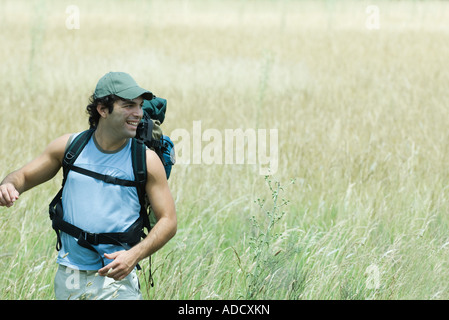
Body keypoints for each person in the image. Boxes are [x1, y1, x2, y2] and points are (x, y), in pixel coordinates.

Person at [0, 72, 177, 300]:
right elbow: (21, 176)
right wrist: (8, 185)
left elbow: (169, 221)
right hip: (69, 277)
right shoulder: (70, 147)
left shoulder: (146, 160)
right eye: (129, 105)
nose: (139, 114)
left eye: (140, 106)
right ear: (103, 110)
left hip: (116, 282)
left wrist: (134, 256)